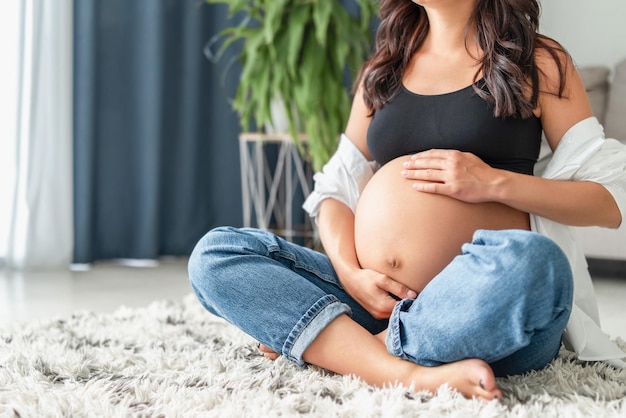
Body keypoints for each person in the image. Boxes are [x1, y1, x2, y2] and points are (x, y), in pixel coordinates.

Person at [188, 0, 626, 401]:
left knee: (539, 265)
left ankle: (343, 348)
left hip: (486, 308)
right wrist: (351, 272)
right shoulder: (384, 69)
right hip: (375, 300)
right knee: (218, 253)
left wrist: (492, 183)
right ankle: (401, 368)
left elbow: (610, 201)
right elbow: (334, 192)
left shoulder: (537, 62)